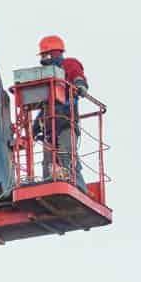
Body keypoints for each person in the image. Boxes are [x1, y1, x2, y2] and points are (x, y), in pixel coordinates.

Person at [34, 35, 86, 186]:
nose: (43, 59)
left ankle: (78, 185)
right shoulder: (48, 78)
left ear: (54, 53)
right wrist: (35, 127)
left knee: (66, 153)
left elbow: (77, 75)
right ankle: (48, 186)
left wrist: (80, 85)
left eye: (45, 55)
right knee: (48, 163)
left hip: (66, 121)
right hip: (49, 127)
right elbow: (45, 106)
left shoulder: (68, 64)